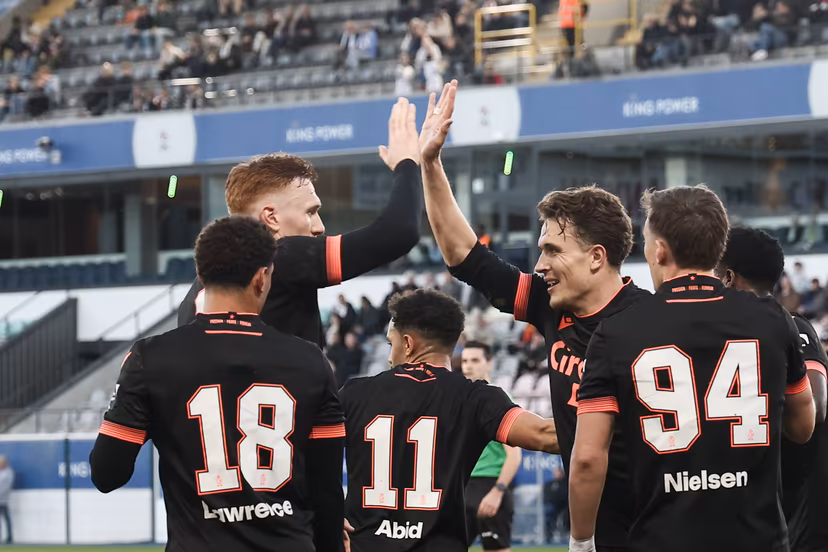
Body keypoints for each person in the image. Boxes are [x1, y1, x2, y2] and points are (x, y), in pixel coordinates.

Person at [418, 80, 649, 551]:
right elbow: (465, 257)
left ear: (597, 257)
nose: (539, 265)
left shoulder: (651, 319)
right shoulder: (549, 303)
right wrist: (431, 165)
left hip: (653, 519)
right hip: (592, 514)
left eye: (552, 250)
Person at [572, 186, 816, 552]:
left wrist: (580, 542)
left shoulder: (617, 333)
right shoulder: (772, 320)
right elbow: (802, 427)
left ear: (659, 250)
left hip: (663, 539)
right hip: (756, 539)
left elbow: (588, 459)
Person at [90, 217, 346, 552]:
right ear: (262, 277)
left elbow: (107, 474)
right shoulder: (310, 360)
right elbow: (326, 490)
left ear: (200, 275)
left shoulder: (150, 358)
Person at [178, 92, 433, 347]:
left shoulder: (193, 295)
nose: (320, 227)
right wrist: (407, 164)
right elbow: (400, 232)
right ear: (271, 217)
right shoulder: (281, 257)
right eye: (310, 212)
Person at [339, 289, 559, 552]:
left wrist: (326, 512)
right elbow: (546, 435)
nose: (389, 355)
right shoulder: (476, 398)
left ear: (408, 344)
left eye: (391, 344)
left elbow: (300, 448)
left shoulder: (354, 394)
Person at [715, 226, 828, 552]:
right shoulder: (724, 336)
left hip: (803, 518)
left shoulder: (793, 326)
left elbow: (817, 407)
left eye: (714, 270)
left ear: (728, 277)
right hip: (756, 512)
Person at [461, 341, 521, 552]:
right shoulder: (459, 402)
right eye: (465, 360)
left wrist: (498, 491)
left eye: (475, 360)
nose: (468, 366)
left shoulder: (500, 402)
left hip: (490, 486)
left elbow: (514, 456)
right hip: (463, 488)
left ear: (489, 364)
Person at [0, 456, 12, 544]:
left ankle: (9, 537)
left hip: (3, 500)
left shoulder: (8, 473)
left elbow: (5, 487)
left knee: (6, 519)